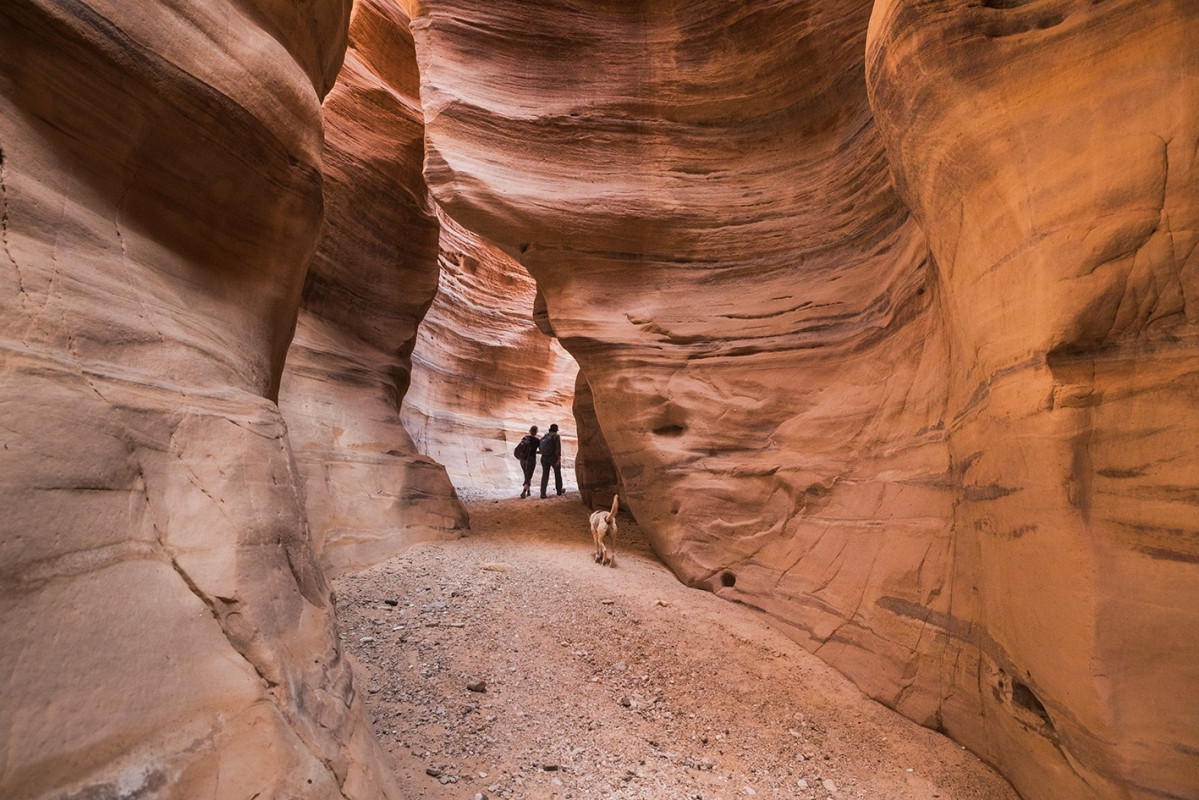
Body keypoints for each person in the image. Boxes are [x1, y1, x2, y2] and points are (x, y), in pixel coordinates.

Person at [539, 423, 565, 498]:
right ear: (556, 430)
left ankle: (543, 493)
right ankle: (559, 491)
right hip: (553, 458)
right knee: (557, 474)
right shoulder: (556, 436)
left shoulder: (545, 436)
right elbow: (558, 449)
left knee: (545, 475)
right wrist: (558, 459)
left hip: (544, 458)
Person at [517, 425, 540, 499]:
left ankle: (529, 491)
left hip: (523, 459)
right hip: (531, 459)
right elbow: (541, 450)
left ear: (530, 431)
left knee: (526, 474)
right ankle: (524, 491)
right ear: (536, 432)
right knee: (529, 475)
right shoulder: (537, 440)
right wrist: (535, 452)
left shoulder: (525, 438)